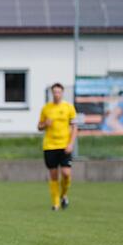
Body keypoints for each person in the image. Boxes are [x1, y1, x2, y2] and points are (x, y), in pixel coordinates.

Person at [38, 83, 78, 211]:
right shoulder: (46, 108)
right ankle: (55, 203)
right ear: (51, 93)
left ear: (62, 93)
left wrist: (71, 143)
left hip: (64, 145)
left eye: (58, 92)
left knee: (66, 173)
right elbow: (39, 126)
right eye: (54, 92)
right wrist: (45, 123)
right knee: (53, 174)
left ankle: (64, 194)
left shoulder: (69, 107)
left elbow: (74, 127)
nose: (56, 94)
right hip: (50, 146)